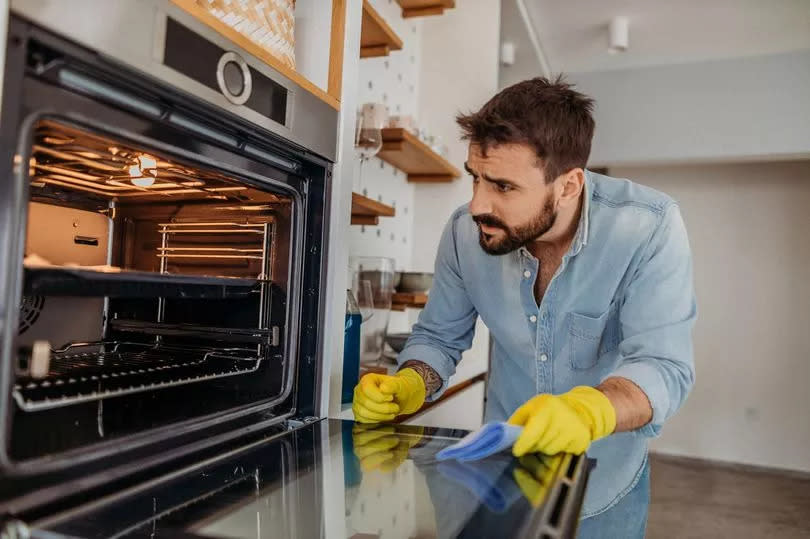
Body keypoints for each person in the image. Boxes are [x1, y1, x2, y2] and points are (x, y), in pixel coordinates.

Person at [351, 76, 696, 537]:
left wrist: (589, 410)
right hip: (497, 476)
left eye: (503, 186)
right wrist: (412, 380)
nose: (477, 204)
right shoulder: (463, 235)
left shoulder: (648, 228)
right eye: (475, 177)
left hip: (603, 485)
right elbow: (438, 337)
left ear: (569, 185)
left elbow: (663, 364)